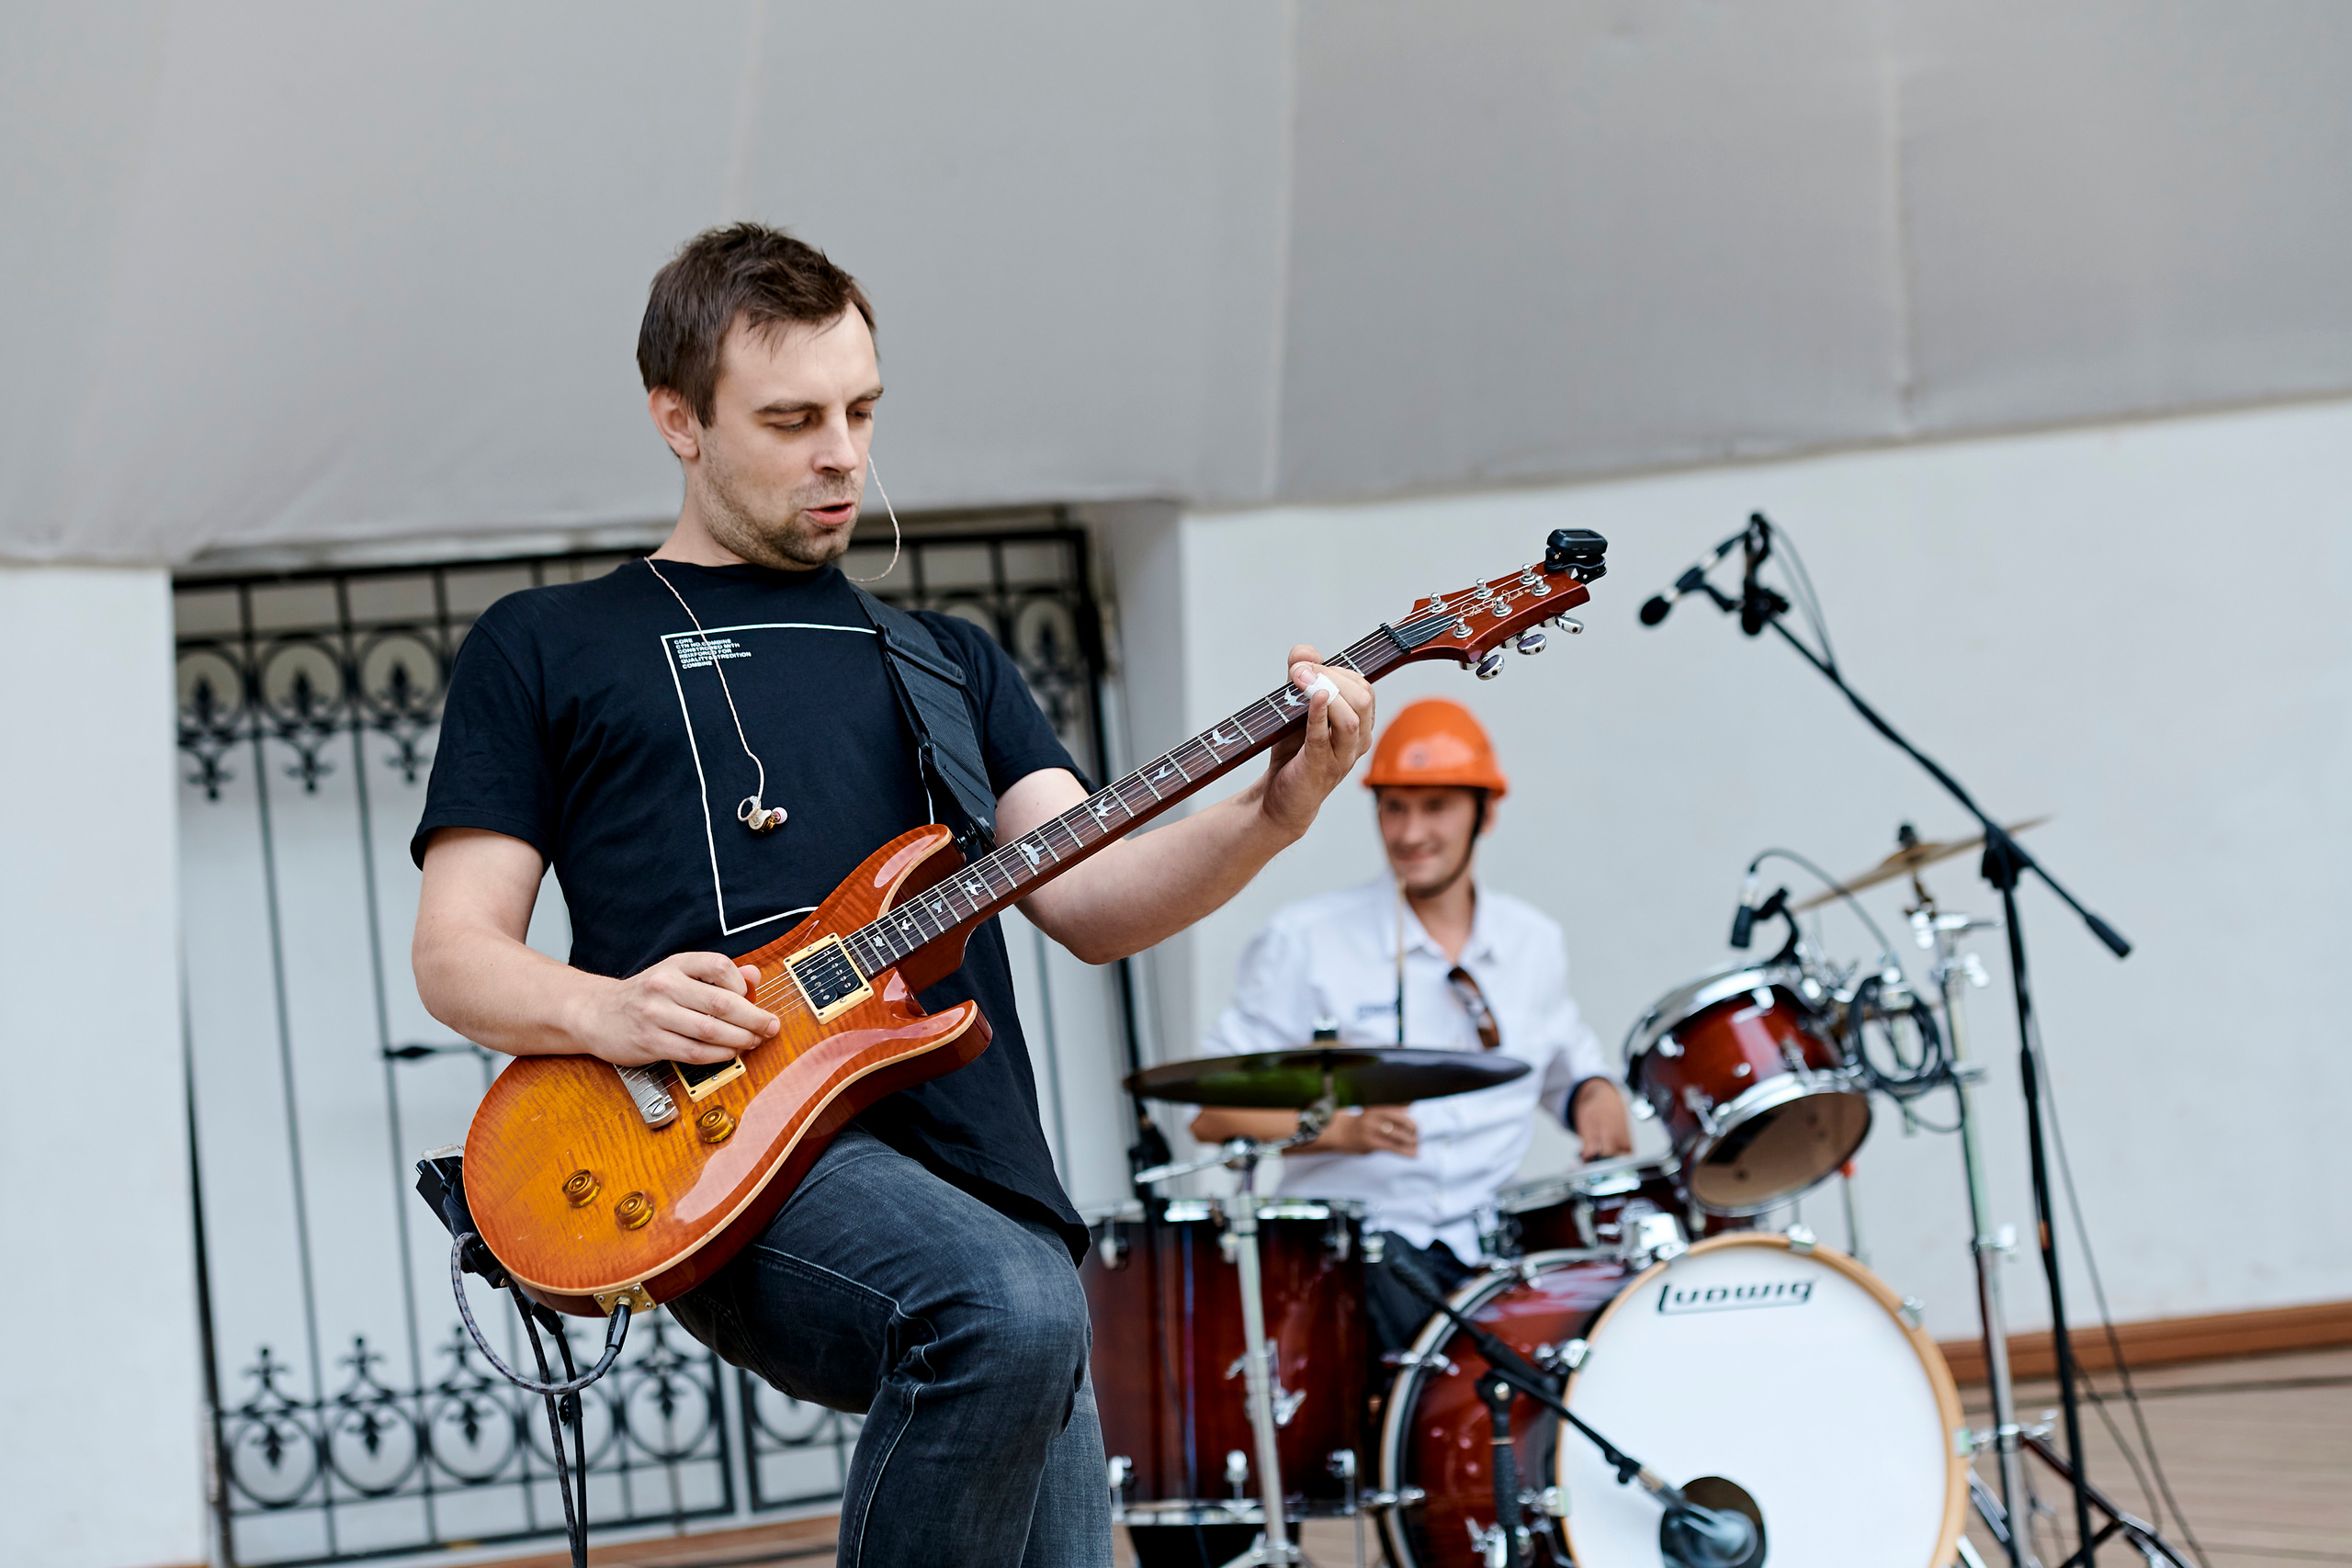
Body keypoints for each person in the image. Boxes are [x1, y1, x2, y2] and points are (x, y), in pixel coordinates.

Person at [408, 223, 1376, 1567]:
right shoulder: (549, 646)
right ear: (676, 419)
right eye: (794, 417)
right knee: (1006, 1309)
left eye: (863, 410)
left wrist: (1277, 810)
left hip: (983, 1171)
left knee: (1023, 1314)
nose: (844, 452)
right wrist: (614, 1007)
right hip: (721, 1150)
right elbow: (455, 954)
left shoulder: (943, 661)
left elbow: (1092, 899)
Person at [1191, 697, 1632, 1354]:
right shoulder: (1306, 940)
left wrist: (1597, 1094)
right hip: (1356, 1260)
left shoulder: (1534, 942)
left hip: (1491, 1257)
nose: (1408, 832)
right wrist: (1342, 1129)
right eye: (1393, 806)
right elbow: (1212, 1114)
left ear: (1486, 809)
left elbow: (1568, 1065)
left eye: (1435, 806)